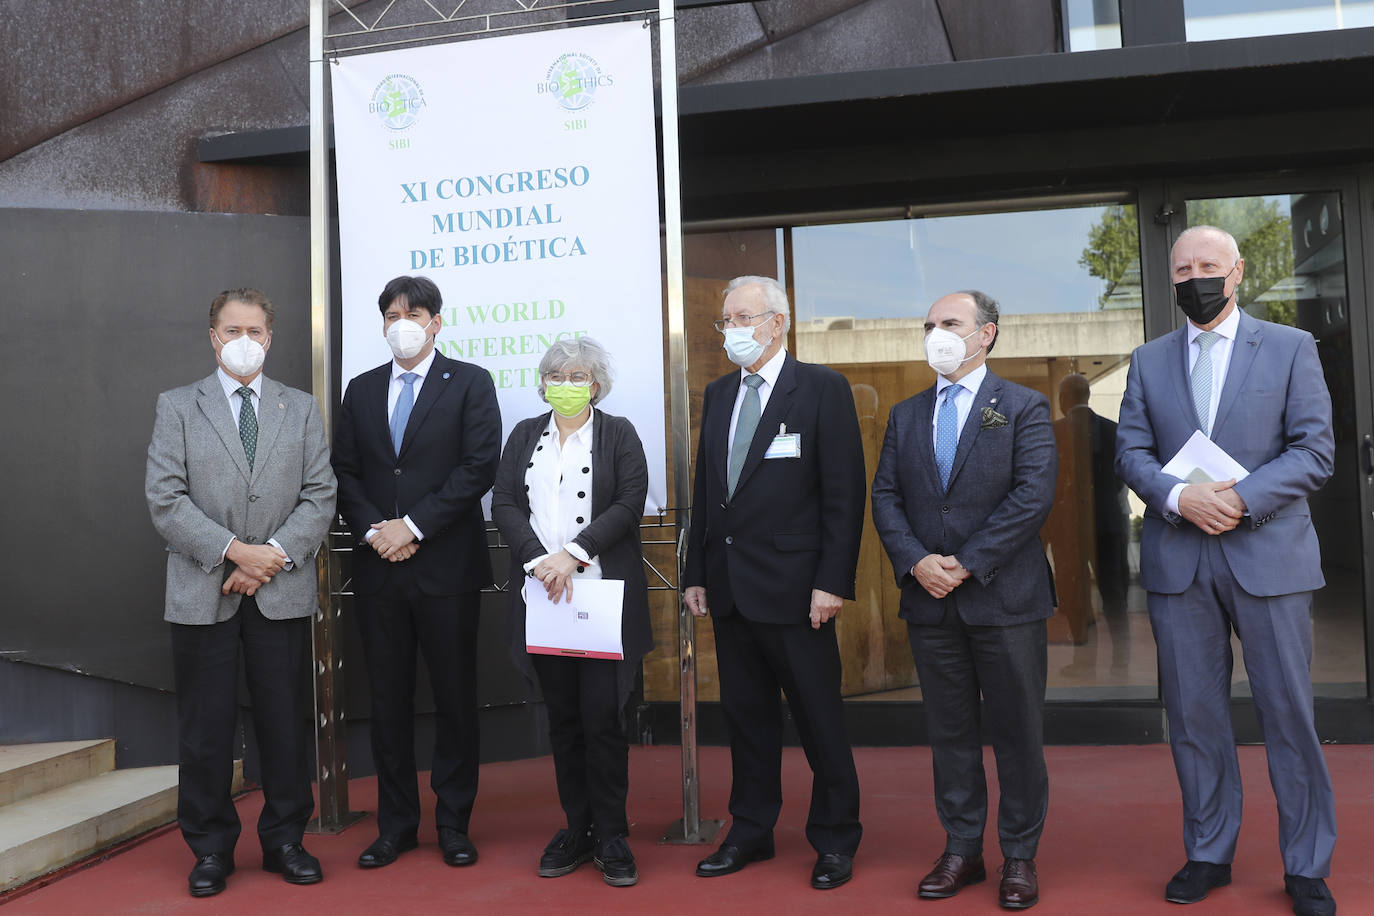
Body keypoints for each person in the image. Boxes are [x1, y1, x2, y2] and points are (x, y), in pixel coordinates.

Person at [1115, 225, 1337, 916]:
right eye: (1183, 269)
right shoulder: (1148, 360)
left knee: (1289, 716)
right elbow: (1130, 450)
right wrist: (1179, 497)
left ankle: (1305, 865)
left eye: (1208, 265)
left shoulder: (1292, 347)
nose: (1195, 278)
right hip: (1180, 560)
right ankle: (1208, 849)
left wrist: (1238, 499)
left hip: (1269, 556)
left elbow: (1315, 451)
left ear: (1237, 272)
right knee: (1194, 716)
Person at [145, 287, 336, 897]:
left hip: (279, 591)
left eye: (255, 330)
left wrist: (269, 559)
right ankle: (210, 849)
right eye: (232, 331)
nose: (244, 341)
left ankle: (285, 840)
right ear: (213, 337)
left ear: (271, 337)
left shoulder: (300, 408)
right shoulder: (177, 407)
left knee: (284, 723)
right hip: (203, 591)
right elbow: (166, 500)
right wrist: (235, 551)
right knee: (205, 730)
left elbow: (320, 495)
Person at [871, 289, 1056, 910]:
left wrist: (968, 563)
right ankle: (962, 849)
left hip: (1005, 599)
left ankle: (1020, 856)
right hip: (930, 600)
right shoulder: (905, 413)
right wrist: (917, 561)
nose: (936, 334)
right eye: (928, 325)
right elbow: (886, 497)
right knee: (950, 734)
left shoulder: (1024, 407)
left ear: (987, 334)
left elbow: (1032, 495)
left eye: (950, 323)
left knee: (1017, 734)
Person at [683, 275, 865, 891]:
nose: (731, 329)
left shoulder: (821, 389)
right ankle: (750, 829)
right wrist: (696, 574)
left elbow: (843, 495)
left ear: (777, 322)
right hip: (731, 588)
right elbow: (709, 495)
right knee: (747, 719)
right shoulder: (716, 393)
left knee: (818, 719)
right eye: (725, 319)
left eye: (742, 317)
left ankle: (836, 837)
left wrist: (832, 582)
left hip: (798, 591)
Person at [331, 275, 502, 870]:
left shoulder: (471, 384)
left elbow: (479, 466)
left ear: (435, 321)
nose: (401, 322)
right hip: (380, 568)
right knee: (388, 701)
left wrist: (415, 526)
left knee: (455, 700)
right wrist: (378, 529)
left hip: (446, 568)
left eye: (413, 312)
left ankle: (454, 823)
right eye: (391, 313)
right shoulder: (361, 388)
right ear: (381, 322)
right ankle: (396, 825)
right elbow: (344, 473)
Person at [490, 337, 652, 888]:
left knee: (603, 719)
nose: (565, 383)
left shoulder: (620, 434)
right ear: (543, 383)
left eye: (577, 375)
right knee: (562, 719)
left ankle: (611, 833)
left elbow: (630, 502)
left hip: (599, 595)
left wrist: (572, 555)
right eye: (556, 375)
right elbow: (505, 502)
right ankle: (576, 828)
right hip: (543, 593)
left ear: (596, 384)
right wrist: (539, 561)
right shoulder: (523, 434)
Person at [1057, 373, 1132, 673]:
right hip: (1109, 525)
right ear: (1088, 396)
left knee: (1077, 597)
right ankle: (1121, 662)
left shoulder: (1055, 432)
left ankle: (1082, 663)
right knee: (1114, 594)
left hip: (1069, 527)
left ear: (1063, 400)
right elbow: (1122, 478)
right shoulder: (1114, 431)